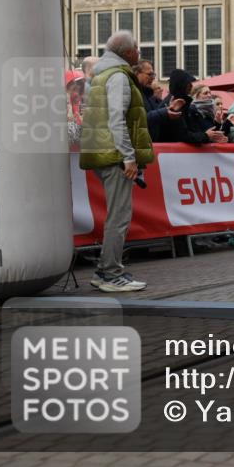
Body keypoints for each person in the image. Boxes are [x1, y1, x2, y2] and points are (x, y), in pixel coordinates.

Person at [79, 32, 151, 292]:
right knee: (119, 216)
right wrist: (128, 157)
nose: (139, 52)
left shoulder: (101, 75)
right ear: (127, 52)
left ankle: (106, 270)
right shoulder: (119, 76)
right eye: (137, 48)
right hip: (115, 155)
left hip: (102, 152)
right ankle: (110, 273)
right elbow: (116, 118)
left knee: (116, 215)